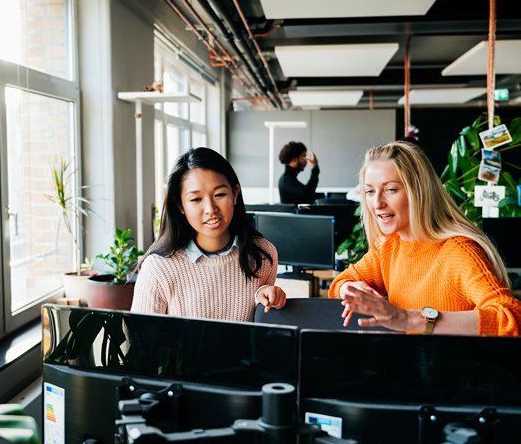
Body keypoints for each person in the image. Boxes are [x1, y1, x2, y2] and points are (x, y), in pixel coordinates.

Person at [329, 140, 521, 336]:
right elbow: (342, 281)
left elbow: (510, 317)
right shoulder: (389, 245)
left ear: (418, 191)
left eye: (391, 190)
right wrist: (352, 289)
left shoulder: (458, 251)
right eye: (370, 191)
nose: (377, 203)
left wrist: (410, 319)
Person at [131, 147, 286, 322]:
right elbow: (142, 342)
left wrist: (266, 297)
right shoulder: (158, 268)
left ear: (235, 194)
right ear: (180, 206)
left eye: (219, 194)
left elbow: (256, 323)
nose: (211, 210)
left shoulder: (262, 255)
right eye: (196, 199)